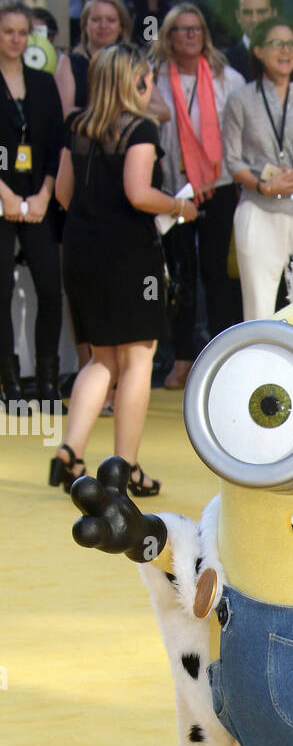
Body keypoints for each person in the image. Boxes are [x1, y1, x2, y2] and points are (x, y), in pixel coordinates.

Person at [51, 44, 198, 495]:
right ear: (135, 81)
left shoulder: (77, 125)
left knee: (101, 357)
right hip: (128, 254)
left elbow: (62, 193)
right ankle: (125, 468)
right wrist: (180, 206)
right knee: (138, 358)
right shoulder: (141, 128)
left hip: (80, 249)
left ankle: (70, 451)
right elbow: (138, 193)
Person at [152, 3, 245, 389]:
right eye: (181, 29)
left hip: (219, 186)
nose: (189, 36)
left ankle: (222, 359)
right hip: (173, 188)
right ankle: (182, 360)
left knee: (217, 275)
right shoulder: (152, 79)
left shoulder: (230, 80)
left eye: (196, 30)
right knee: (180, 274)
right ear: (169, 36)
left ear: (205, 36)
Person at [222, 16, 293, 319]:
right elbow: (232, 160)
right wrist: (264, 185)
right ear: (258, 51)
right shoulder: (240, 99)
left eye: (291, 44)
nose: (286, 50)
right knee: (258, 307)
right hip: (258, 208)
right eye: (276, 43)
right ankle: (257, 365)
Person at [0, 0, 64, 407]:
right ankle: (8, 384)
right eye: (8, 32)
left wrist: (44, 192)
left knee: (50, 288)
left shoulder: (42, 83)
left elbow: (56, 143)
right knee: (1, 288)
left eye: (22, 32)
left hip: (39, 197)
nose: (16, 39)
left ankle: (46, 381)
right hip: (2, 197)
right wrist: (5, 194)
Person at [55, 0, 132, 116]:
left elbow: (163, 110)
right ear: (85, 25)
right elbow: (64, 112)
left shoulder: (132, 61)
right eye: (96, 19)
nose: (103, 25)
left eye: (111, 20)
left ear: (121, 26)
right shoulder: (68, 62)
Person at [223, 0, 275, 82]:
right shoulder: (225, 61)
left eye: (261, 12)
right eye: (247, 13)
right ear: (238, 16)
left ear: (273, 13)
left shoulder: (291, 58)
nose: (254, 19)